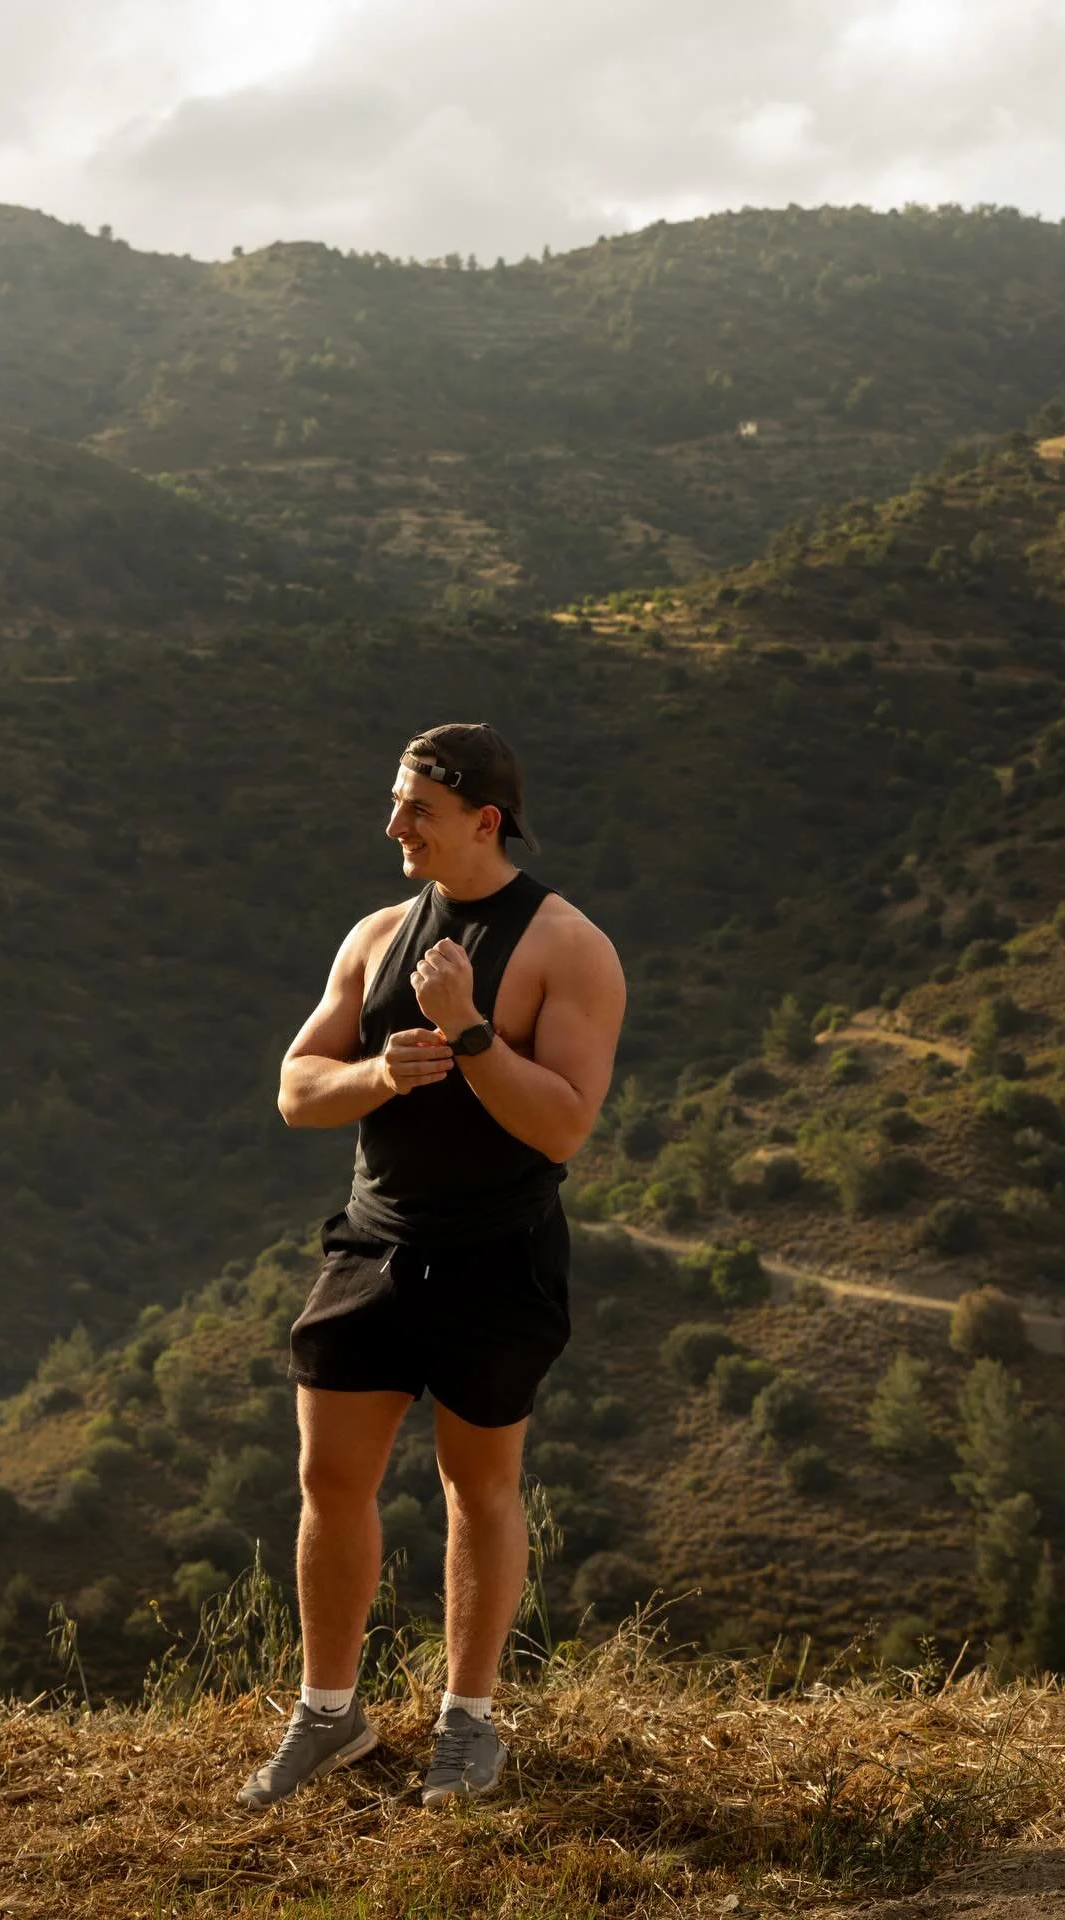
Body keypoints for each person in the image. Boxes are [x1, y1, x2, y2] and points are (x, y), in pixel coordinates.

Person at [238, 722, 625, 1811]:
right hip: (373, 1244)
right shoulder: (374, 935)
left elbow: (563, 1128)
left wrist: (467, 1035)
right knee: (329, 1481)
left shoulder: (567, 947)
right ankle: (329, 1715)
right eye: (396, 801)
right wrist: (381, 1075)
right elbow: (296, 1088)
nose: (394, 825)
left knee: (480, 1488)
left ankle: (469, 1722)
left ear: (483, 820)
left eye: (417, 808)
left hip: (497, 1254)